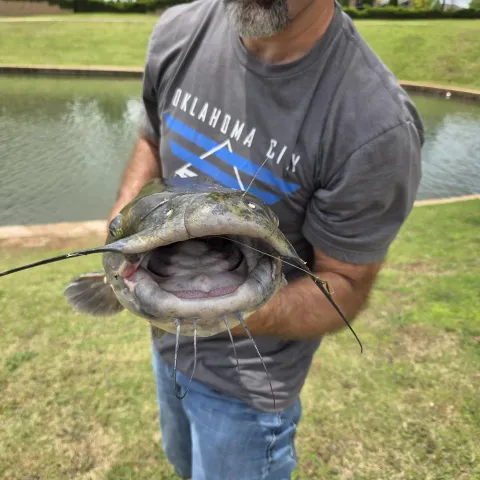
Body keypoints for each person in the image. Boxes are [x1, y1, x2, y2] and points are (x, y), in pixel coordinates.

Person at [108, 0, 424, 478]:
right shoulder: (178, 31)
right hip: (165, 350)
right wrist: (120, 233)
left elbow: (344, 285)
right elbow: (151, 140)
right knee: (180, 464)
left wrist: (218, 312)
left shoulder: (375, 126)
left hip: (247, 394)